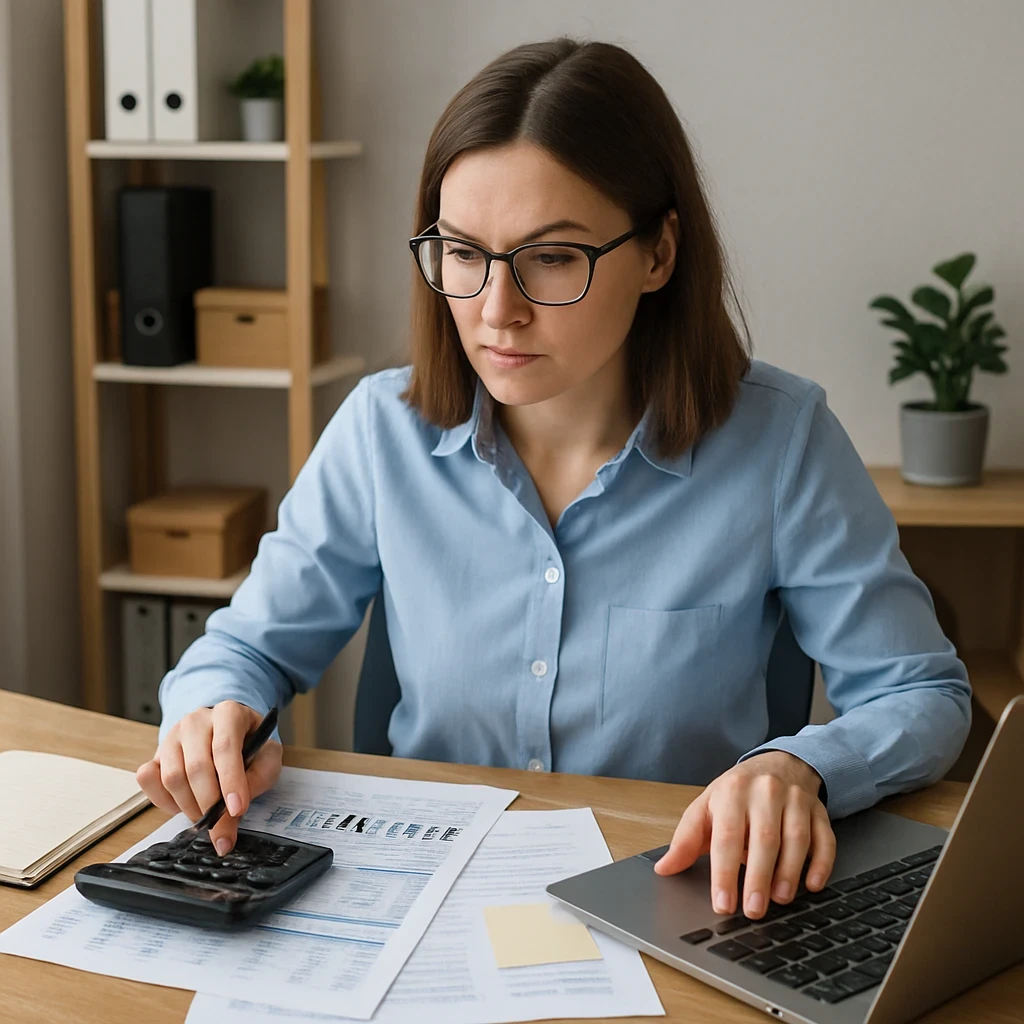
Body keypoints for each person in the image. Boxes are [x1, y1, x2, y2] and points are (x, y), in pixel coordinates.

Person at [137, 37, 971, 925]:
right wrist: (215, 712)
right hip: (423, 906)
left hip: (677, 908)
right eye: (462, 253)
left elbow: (920, 693)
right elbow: (246, 650)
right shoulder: (383, 430)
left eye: (553, 257)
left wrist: (796, 767)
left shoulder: (782, 441)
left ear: (658, 254)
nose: (497, 310)